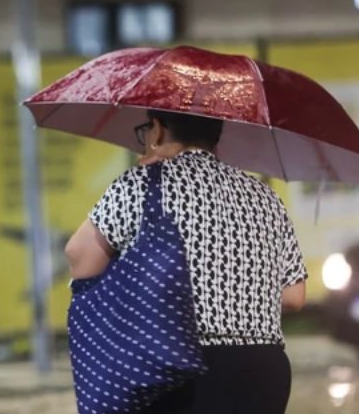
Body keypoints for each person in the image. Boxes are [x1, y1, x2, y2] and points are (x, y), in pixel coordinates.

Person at [64, 109, 307, 414]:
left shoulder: (141, 185)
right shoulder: (265, 196)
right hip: (262, 371)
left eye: (145, 132)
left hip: (178, 365)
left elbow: (80, 257)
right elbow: (294, 295)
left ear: (157, 130)